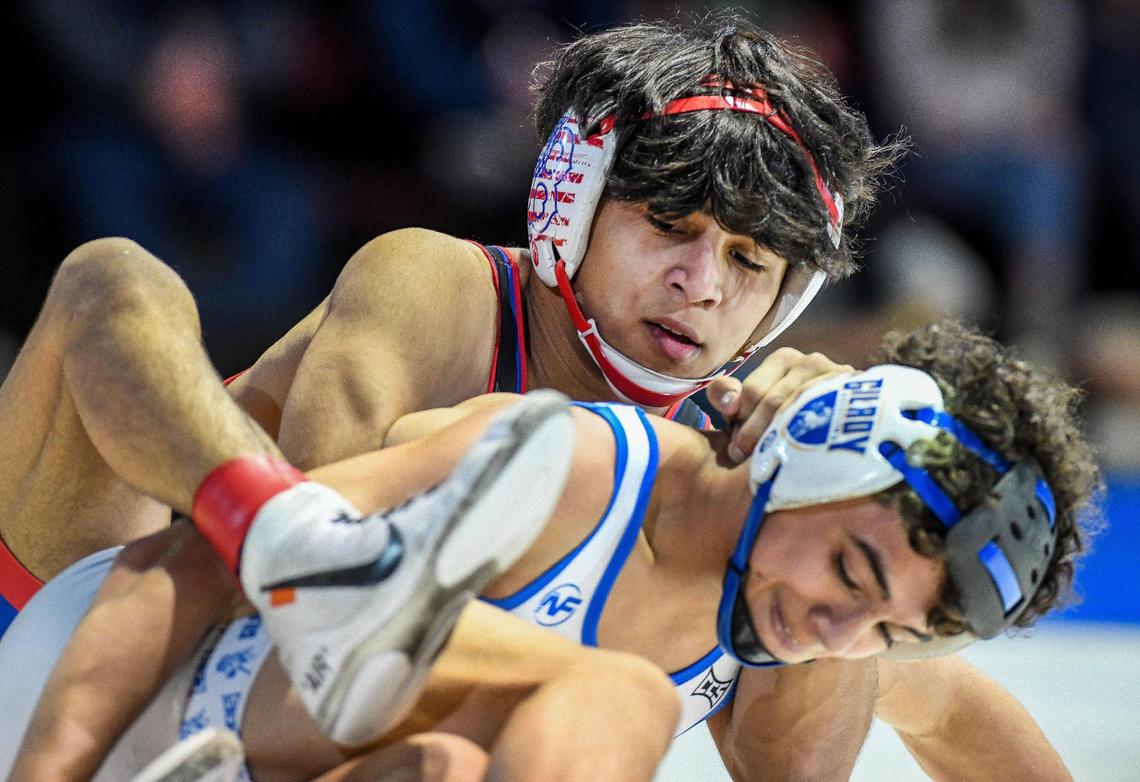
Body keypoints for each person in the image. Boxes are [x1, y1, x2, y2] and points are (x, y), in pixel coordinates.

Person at [0, 12, 1058, 781]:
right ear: (574, 197)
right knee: (114, 279)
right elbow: (318, 602)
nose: (702, 286)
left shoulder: (756, 486)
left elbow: (941, 705)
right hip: (114, 588)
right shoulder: (441, 287)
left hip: (282, 736)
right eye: (672, 227)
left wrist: (831, 474)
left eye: (750, 262)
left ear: (788, 305)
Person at [3, 321, 1100, 781]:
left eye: (888, 627)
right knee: (610, 700)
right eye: (853, 573)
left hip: (242, 756)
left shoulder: (795, 629)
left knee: (457, 766)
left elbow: (957, 718)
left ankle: (366, 608)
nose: (838, 627)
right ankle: (344, 589)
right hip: (106, 682)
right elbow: (184, 564)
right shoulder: (578, 460)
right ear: (812, 449)